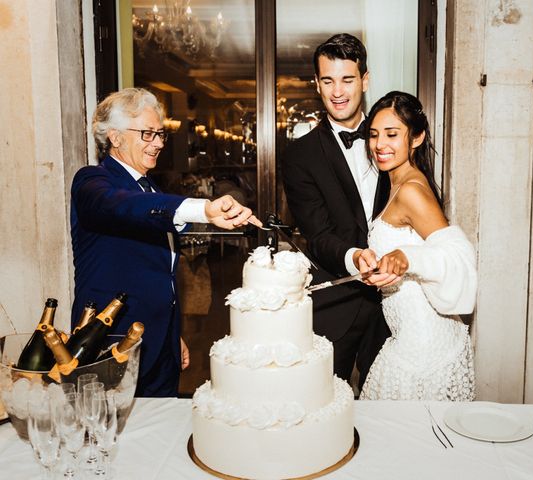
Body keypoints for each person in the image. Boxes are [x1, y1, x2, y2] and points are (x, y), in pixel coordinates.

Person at [71, 87, 260, 397]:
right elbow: (118, 205)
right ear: (115, 137)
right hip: (112, 345)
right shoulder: (92, 181)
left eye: (160, 134)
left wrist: (174, 334)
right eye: (148, 134)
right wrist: (203, 209)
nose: (158, 143)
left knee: (160, 437)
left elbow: (160, 271)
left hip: (161, 344)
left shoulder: (151, 189)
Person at [282, 33, 391, 391]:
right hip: (337, 303)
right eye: (328, 80)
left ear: (365, 80)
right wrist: (354, 256)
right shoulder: (301, 155)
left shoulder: (394, 137)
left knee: (394, 413)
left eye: (347, 79)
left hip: (397, 303)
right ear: (317, 83)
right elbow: (318, 234)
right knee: (325, 410)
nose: (338, 91)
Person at [357, 91, 477, 401]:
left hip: (423, 346)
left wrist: (406, 258)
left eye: (392, 134)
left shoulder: (411, 189)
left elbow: (456, 255)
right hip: (409, 337)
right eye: (373, 135)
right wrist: (381, 268)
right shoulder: (397, 182)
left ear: (417, 137)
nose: (380, 144)